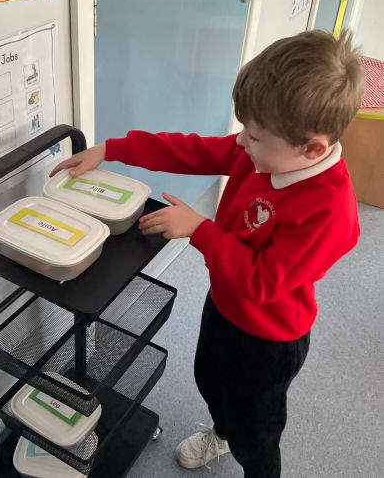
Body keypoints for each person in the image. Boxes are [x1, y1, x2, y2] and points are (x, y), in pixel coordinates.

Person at [49, 30, 364, 477]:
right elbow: (192, 150)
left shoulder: (328, 209)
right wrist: (112, 150)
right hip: (226, 303)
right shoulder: (264, 152)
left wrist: (200, 230)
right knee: (211, 380)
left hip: (270, 338)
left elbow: (261, 282)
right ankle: (222, 432)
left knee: (256, 432)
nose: (241, 143)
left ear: (312, 147)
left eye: (254, 136)